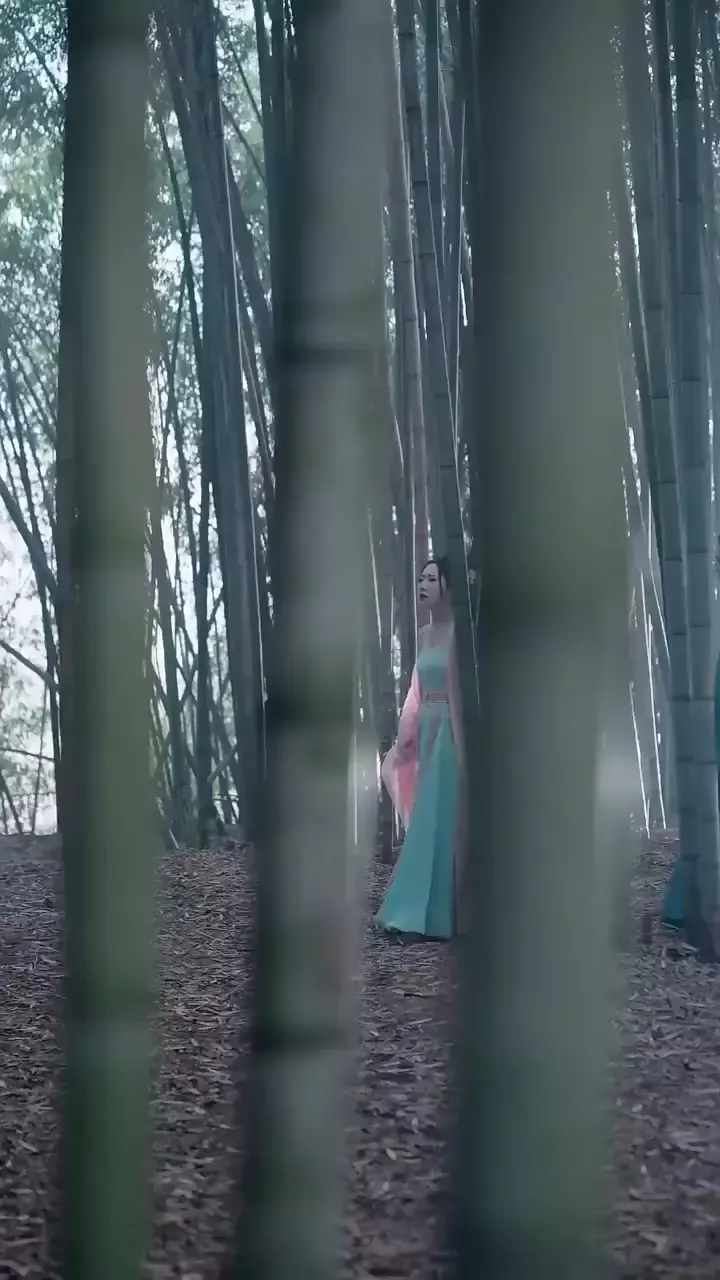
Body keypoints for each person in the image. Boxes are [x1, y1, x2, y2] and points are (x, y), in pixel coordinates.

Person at [376, 556, 466, 938]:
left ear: (449, 586)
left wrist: (462, 746)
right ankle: (419, 911)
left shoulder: (461, 633)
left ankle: (431, 914)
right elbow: (415, 690)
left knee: (438, 815)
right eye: (421, 579)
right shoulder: (426, 634)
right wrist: (405, 735)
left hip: (449, 729)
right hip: (428, 727)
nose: (423, 585)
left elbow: (459, 695)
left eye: (432, 579)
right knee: (426, 814)